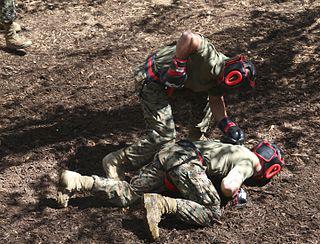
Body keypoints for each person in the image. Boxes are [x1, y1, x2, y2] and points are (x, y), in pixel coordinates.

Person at [57, 139, 284, 240]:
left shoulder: (235, 147)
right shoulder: (249, 163)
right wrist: (235, 194)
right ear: (268, 168)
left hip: (171, 153)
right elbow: (228, 186)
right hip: (186, 163)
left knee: (128, 194)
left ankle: (78, 181)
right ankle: (163, 204)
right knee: (213, 210)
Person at [103, 31, 256, 181]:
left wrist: (228, 126)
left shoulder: (221, 80)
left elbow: (215, 100)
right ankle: (116, 162)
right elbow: (187, 37)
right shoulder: (211, 58)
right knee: (164, 136)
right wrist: (178, 65)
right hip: (153, 78)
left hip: (181, 85)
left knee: (206, 107)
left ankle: (192, 150)